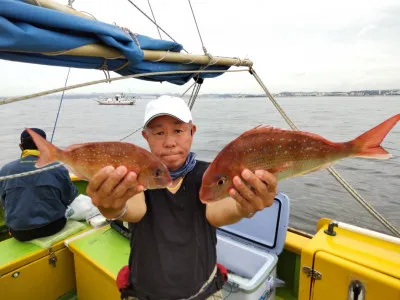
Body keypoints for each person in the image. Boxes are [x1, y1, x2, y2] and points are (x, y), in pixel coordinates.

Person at [86, 95, 278, 300]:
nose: (169, 142)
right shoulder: (137, 175)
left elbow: (218, 213)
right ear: (146, 137)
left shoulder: (211, 174)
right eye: (159, 132)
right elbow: (133, 210)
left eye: (178, 130)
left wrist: (244, 206)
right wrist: (112, 208)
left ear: (191, 131)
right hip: (144, 293)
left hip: (203, 292)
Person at [0, 128, 78, 242]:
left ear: (21, 147)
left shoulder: (5, 170)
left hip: (19, 233)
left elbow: (3, 201)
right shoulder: (56, 167)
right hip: (53, 227)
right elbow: (69, 197)